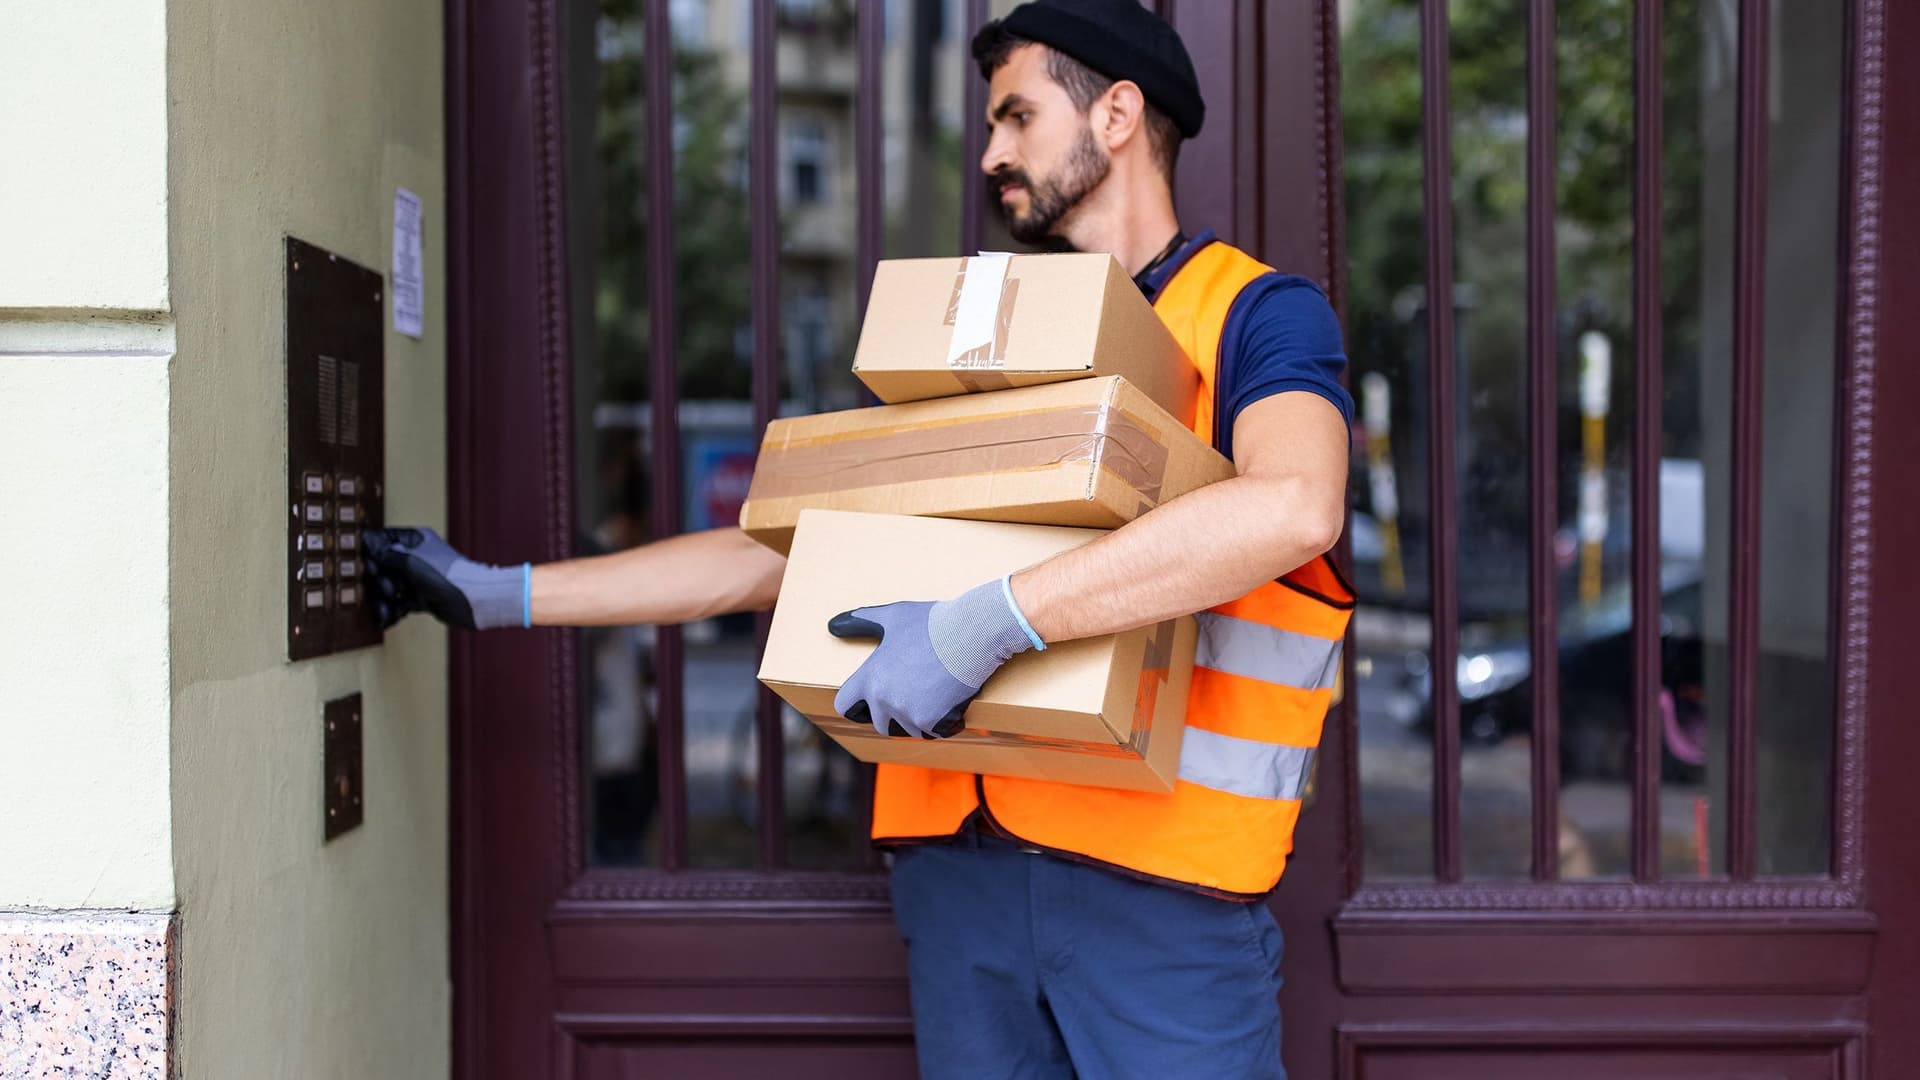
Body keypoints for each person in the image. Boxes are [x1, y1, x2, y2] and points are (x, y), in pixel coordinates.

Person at [366, 1, 1351, 1075]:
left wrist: (981, 627)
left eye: (1018, 116)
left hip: (1168, 897)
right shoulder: (993, 346)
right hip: (961, 885)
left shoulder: (1254, 315)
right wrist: (499, 593)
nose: (992, 153)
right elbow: (790, 555)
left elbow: (1293, 505)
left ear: (1116, 115)